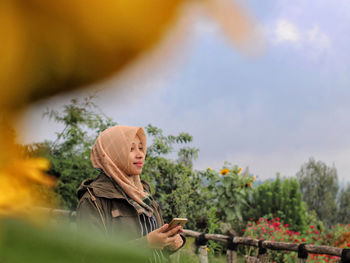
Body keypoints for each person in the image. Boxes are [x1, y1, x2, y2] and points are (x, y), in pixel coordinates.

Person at [76, 125, 186, 262]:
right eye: (131, 149)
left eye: (141, 148)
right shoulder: (93, 200)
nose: (140, 154)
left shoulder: (143, 193)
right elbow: (89, 256)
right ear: (112, 154)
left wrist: (170, 242)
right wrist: (147, 243)